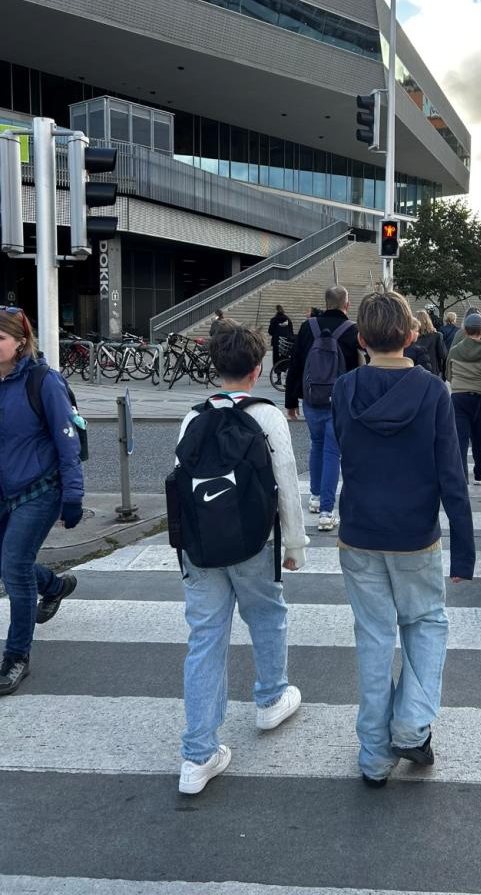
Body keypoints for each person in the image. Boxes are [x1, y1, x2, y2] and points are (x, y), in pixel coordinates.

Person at [332, 291, 475, 787]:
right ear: (413, 335)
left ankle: (373, 754)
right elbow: (450, 473)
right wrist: (466, 547)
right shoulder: (434, 391)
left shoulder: (345, 389)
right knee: (426, 624)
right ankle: (411, 725)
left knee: (373, 638)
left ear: (362, 338)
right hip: (415, 532)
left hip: (359, 530)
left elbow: (347, 450)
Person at [176, 324, 308, 795]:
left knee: (205, 638)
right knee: (267, 614)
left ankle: (197, 755)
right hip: (254, 542)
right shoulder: (267, 417)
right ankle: (271, 697)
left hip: (202, 548)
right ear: (258, 371)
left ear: (215, 367)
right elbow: (286, 483)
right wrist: (293, 545)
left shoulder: (193, 418)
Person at [0, 307, 84, 696]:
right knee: (7, 563)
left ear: (20, 343)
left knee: (14, 567)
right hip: (4, 489)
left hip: (40, 487)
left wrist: (73, 495)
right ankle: (51, 586)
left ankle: (16, 656)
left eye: (0, 338)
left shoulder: (43, 381)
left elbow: (67, 440)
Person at [285, 286, 360, 530]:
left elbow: (294, 364)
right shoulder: (352, 331)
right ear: (346, 305)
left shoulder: (309, 327)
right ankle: (327, 512)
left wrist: (290, 401)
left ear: (325, 303)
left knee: (316, 444)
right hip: (338, 401)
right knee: (332, 452)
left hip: (311, 398)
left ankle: (316, 498)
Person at [445, 312, 481, 485]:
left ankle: (461, 476)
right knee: (479, 439)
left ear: (465, 331)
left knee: (459, 440)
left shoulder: (454, 350)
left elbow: (448, 374)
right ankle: (480, 472)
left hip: (459, 397)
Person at [413, 310, 447, 376]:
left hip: (415, 370)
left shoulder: (411, 336)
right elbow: (443, 354)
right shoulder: (437, 335)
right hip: (432, 370)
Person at [267, 304, 294, 385]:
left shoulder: (273, 320)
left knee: (276, 359)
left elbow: (270, 332)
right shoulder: (288, 319)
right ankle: (287, 376)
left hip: (276, 342)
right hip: (286, 342)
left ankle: (279, 379)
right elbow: (291, 331)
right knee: (285, 358)